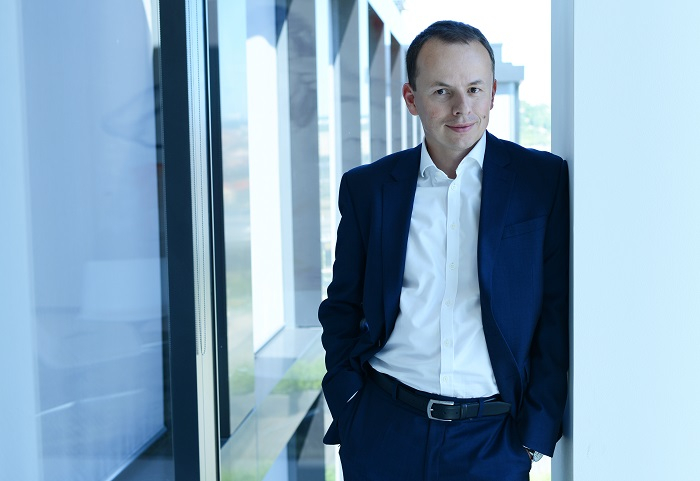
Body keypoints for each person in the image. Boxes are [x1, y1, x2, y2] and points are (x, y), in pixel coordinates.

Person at [319, 20, 569, 481]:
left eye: (474, 89)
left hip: (493, 441)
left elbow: (556, 314)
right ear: (411, 98)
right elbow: (342, 305)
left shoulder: (541, 182)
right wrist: (349, 401)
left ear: (492, 94)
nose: (462, 108)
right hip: (383, 428)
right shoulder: (368, 189)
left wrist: (534, 437)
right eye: (441, 92)